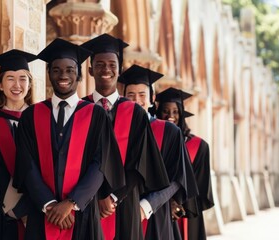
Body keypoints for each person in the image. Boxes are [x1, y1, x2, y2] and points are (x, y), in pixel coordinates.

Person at [13, 38, 125, 240]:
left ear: (80, 75)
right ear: (49, 75)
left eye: (70, 70)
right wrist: (49, 204)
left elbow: (101, 163)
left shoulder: (96, 115)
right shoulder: (32, 115)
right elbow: (26, 163)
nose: (63, 75)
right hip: (43, 212)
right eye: (56, 70)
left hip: (83, 213)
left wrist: (71, 202)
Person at [81, 34, 170, 240]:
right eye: (99, 64)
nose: (106, 69)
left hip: (124, 203)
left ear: (119, 70)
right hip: (86, 202)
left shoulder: (135, 113)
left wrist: (112, 197)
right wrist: (93, 195)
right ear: (90, 70)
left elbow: (142, 162)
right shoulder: (80, 109)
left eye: (112, 64)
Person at [118, 64, 199, 240]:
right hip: (119, 214)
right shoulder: (115, 128)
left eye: (142, 95)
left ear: (152, 98)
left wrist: (146, 206)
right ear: (123, 98)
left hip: (155, 214)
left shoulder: (169, 131)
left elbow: (177, 178)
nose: (136, 100)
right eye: (130, 95)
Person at [0, 49, 37, 240]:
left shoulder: (41, 118)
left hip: (40, 208)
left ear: (29, 84)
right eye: (10, 78)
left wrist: (34, 205)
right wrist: (17, 209)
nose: (17, 85)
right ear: (0, 85)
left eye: (22, 78)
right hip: (7, 212)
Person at [155, 87, 214, 240]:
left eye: (175, 112)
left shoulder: (199, 146)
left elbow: (201, 186)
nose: (170, 116)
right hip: (156, 208)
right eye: (165, 111)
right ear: (157, 112)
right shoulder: (151, 141)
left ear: (181, 115)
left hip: (187, 211)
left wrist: (178, 203)